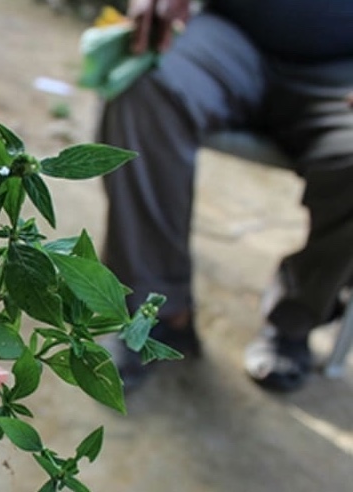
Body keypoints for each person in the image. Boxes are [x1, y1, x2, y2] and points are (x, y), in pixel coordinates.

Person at [98, 0, 353, 392]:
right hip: (231, 34)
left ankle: (294, 320)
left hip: (341, 74)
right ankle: (160, 306)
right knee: (147, 85)